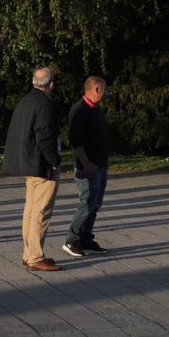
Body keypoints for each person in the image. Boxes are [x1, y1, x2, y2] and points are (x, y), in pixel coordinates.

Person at [2, 66, 63, 272]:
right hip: (41, 164)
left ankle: (29, 253)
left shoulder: (26, 101)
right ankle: (35, 256)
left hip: (27, 162)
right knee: (41, 211)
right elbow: (44, 137)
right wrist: (55, 160)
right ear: (51, 84)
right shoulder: (44, 104)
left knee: (30, 210)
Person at [63, 76, 111, 257]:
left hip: (100, 164)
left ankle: (85, 238)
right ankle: (71, 239)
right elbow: (76, 143)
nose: (106, 93)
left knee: (96, 203)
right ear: (96, 89)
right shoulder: (80, 110)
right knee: (87, 203)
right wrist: (86, 164)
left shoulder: (95, 109)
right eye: (104, 89)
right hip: (88, 167)